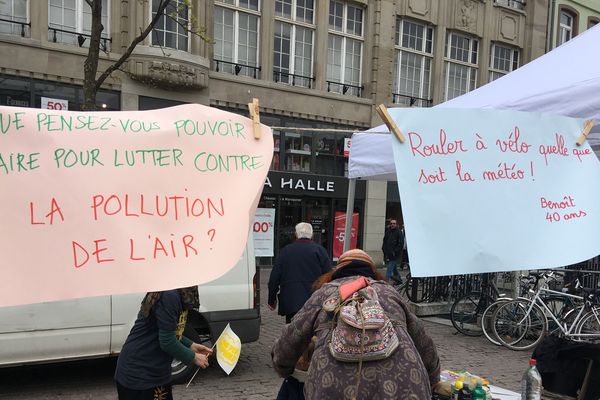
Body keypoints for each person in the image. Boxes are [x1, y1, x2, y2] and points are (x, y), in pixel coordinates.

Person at [271, 249, 441, 400]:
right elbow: (422, 338)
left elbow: (292, 337)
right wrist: (433, 378)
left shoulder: (323, 293)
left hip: (332, 388)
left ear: (336, 272)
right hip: (405, 386)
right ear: (373, 272)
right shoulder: (389, 292)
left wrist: (283, 367)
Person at [114, 286, 213, 400]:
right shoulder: (170, 295)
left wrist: (191, 345)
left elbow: (167, 332)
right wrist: (194, 357)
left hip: (156, 373)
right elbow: (167, 341)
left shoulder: (176, 292)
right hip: (140, 374)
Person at [268, 222, 331, 324]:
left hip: (291, 301)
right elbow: (329, 276)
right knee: (312, 332)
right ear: (312, 235)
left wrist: (272, 299)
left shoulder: (286, 251)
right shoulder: (320, 251)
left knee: (291, 332)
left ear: (296, 235)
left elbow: (274, 278)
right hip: (314, 301)